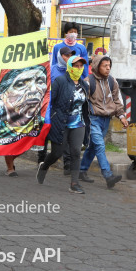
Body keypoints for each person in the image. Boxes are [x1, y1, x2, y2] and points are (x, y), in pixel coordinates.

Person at [36, 55, 91, 194]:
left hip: (78, 123)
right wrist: (47, 119)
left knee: (76, 152)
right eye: (75, 66)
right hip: (60, 122)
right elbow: (49, 102)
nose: (78, 68)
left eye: (81, 66)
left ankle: (74, 183)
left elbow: (85, 105)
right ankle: (44, 166)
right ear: (69, 67)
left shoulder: (84, 85)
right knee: (57, 153)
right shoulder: (60, 81)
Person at [79, 55, 127, 188]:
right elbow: (81, 102)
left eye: (109, 65)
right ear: (96, 66)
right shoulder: (88, 82)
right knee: (100, 145)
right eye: (104, 65)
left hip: (107, 120)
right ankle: (108, 175)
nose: (108, 68)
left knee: (94, 147)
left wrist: (122, 116)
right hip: (93, 118)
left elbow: (117, 100)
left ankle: (82, 171)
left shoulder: (112, 81)